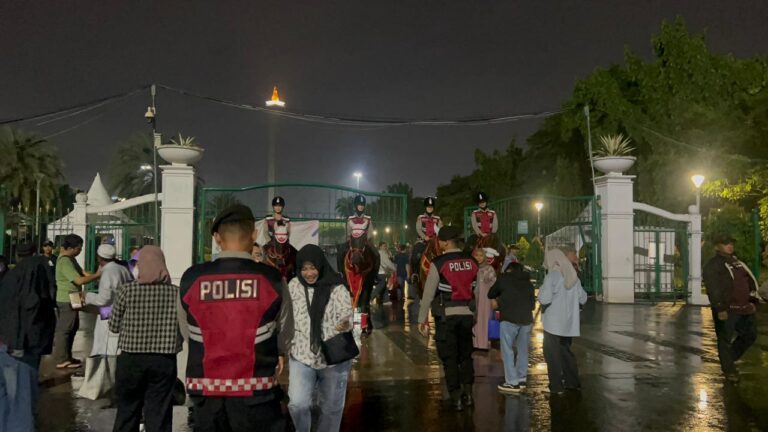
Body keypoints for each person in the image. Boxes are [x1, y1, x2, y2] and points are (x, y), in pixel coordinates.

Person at [180, 204, 286, 431]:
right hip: (257, 394)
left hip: (206, 393)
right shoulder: (272, 279)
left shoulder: (191, 278)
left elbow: (186, 330)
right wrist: (278, 351)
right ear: (254, 235)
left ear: (217, 238)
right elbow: (286, 330)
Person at [109, 245, 182, 432]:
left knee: (127, 411)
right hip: (163, 359)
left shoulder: (126, 291)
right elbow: (184, 326)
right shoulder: (176, 293)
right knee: (159, 412)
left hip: (131, 359)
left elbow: (114, 326)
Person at [282, 244, 354, 432]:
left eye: (313, 268)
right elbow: (286, 317)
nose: (309, 273)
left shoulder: (336, 286)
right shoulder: (294, 286)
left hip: (333, 357)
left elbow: (347, 313)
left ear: (321, 266)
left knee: (331, 408)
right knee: (297, 403)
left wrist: (345, 323)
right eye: (304, 268)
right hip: (301, 355)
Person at [418, 226, 479, 411]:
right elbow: (475, 290)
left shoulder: (439, 262)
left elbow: (428, 294)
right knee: (466, 356)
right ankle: (468, 394)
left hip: (447, 317)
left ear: (444, 242)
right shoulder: (471, 260)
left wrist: (422, 319)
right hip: (467, 315)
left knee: (450, 357)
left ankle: (456, 396)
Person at [0, 242, 57, 428]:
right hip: (20, 347)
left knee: (7, 401)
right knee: (21, 402)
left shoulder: (11, 277)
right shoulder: (33, 275)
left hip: (7, 344)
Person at [703, 234, 762, 383]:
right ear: (717, 246)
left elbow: (749, 281)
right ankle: (729, 370)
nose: (730, 245)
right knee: (724, 340)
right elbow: (713, 288)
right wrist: (720, 308)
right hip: (727, 310)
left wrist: (753, 301)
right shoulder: (713, 265)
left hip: (745, 308)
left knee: (750, 335)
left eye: (731, 243)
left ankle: (729, 358)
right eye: (725, 243)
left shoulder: (737, 262)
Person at [78, 244, 133, 400]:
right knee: (116, 348)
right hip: (122, 312)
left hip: (108, 313)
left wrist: (86, 296)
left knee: (107, 350)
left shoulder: (108, 272)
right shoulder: (123, 270)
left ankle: (108, 386)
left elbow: (103, 299)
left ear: (99, 258)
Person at [539, 246, 588, 395]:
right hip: (569, 324)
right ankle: (572, 382)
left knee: (552, 355)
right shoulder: (573, 276)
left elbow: (544, 298)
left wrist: (541, 293)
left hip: (553, 324)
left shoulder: (553, 276)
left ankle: (556, 386)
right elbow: (583, 298)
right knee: (566, 352)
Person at [53, 234, 101, 369]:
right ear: (71, 248)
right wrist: (97, 275)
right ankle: (62, 358)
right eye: (78, 248)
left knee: (73, 326)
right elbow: (78, 280)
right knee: (65, 329)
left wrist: (98, 275)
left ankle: (67, 356)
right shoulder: (64, 261)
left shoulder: (71, 259)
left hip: (74, 296)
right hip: (67, 298)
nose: (80, 251)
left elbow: (83, 273)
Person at [488, 260, 535, 393]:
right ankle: (521, 378)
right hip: (526, 320)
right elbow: (532, 305)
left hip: (509, 319)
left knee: (507, 350)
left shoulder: (504, 279)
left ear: (508, 270)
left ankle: (511, 382)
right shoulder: (528, 283)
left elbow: (491, 293)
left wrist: (501, 301)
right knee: (523, 350)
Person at [472, 247, 498, 350]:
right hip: (473, 297)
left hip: (485, 299)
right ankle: (474, 343)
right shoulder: (472, 267)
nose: (478, 258)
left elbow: (494, 284)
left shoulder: (489, 269)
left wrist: (493, 298)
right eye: (476, 255)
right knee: (475, 319)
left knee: (484, 319)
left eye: (481, 255)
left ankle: (483, 344)